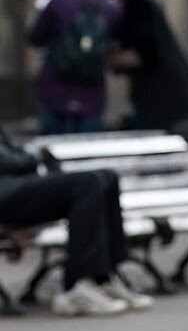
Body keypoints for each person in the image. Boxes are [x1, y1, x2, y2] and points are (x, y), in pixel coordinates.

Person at [0, 126, 152, 315]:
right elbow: (8, 161)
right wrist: (31, 156)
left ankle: (102, 277)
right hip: (6, 194)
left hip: (16, 186)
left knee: (107, 178)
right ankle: (76, 286)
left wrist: (29, 155)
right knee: (87, 183)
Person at [26, 0, 121, 135]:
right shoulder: (113, 8)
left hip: (55, 90)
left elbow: (35, 37)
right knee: (87, 156)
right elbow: (116, 46)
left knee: (51, 153)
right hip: (92, 94)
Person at [106, 0, 188, 131]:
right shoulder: (140, 0)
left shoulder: (138, 3)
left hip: (159, 93)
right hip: (164, 92)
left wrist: (109, 60)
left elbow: (145, 53)